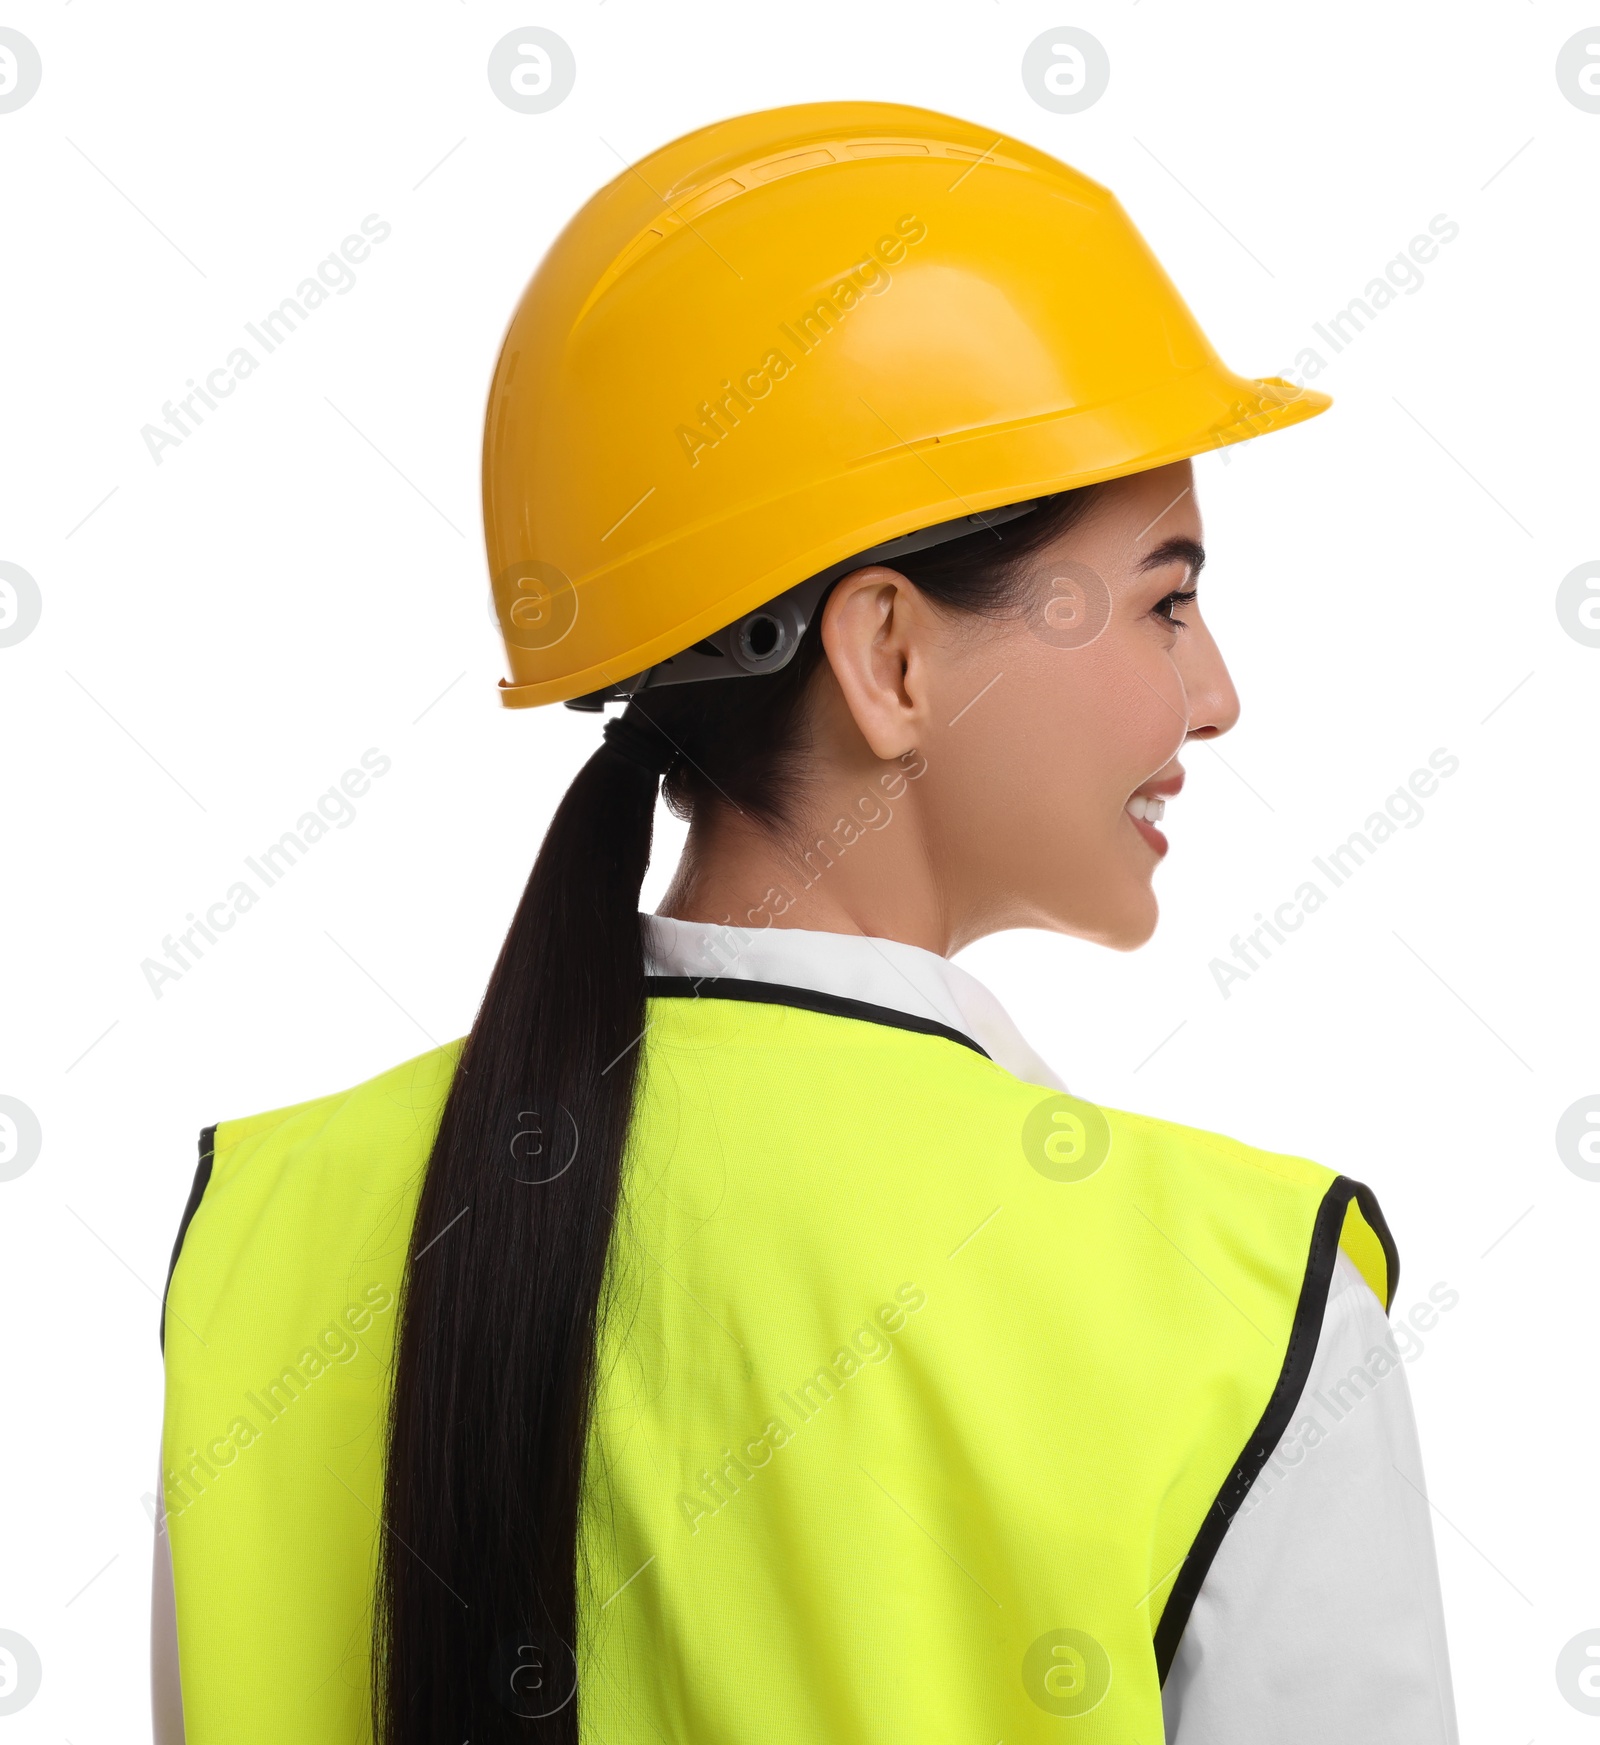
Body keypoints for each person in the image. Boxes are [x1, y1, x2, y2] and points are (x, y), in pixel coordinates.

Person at [152, 101, 1459, 1743]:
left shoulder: (265, 1241)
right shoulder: (1241, 1305)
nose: (1217, 695)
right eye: (1165, 599)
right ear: (891, 657)